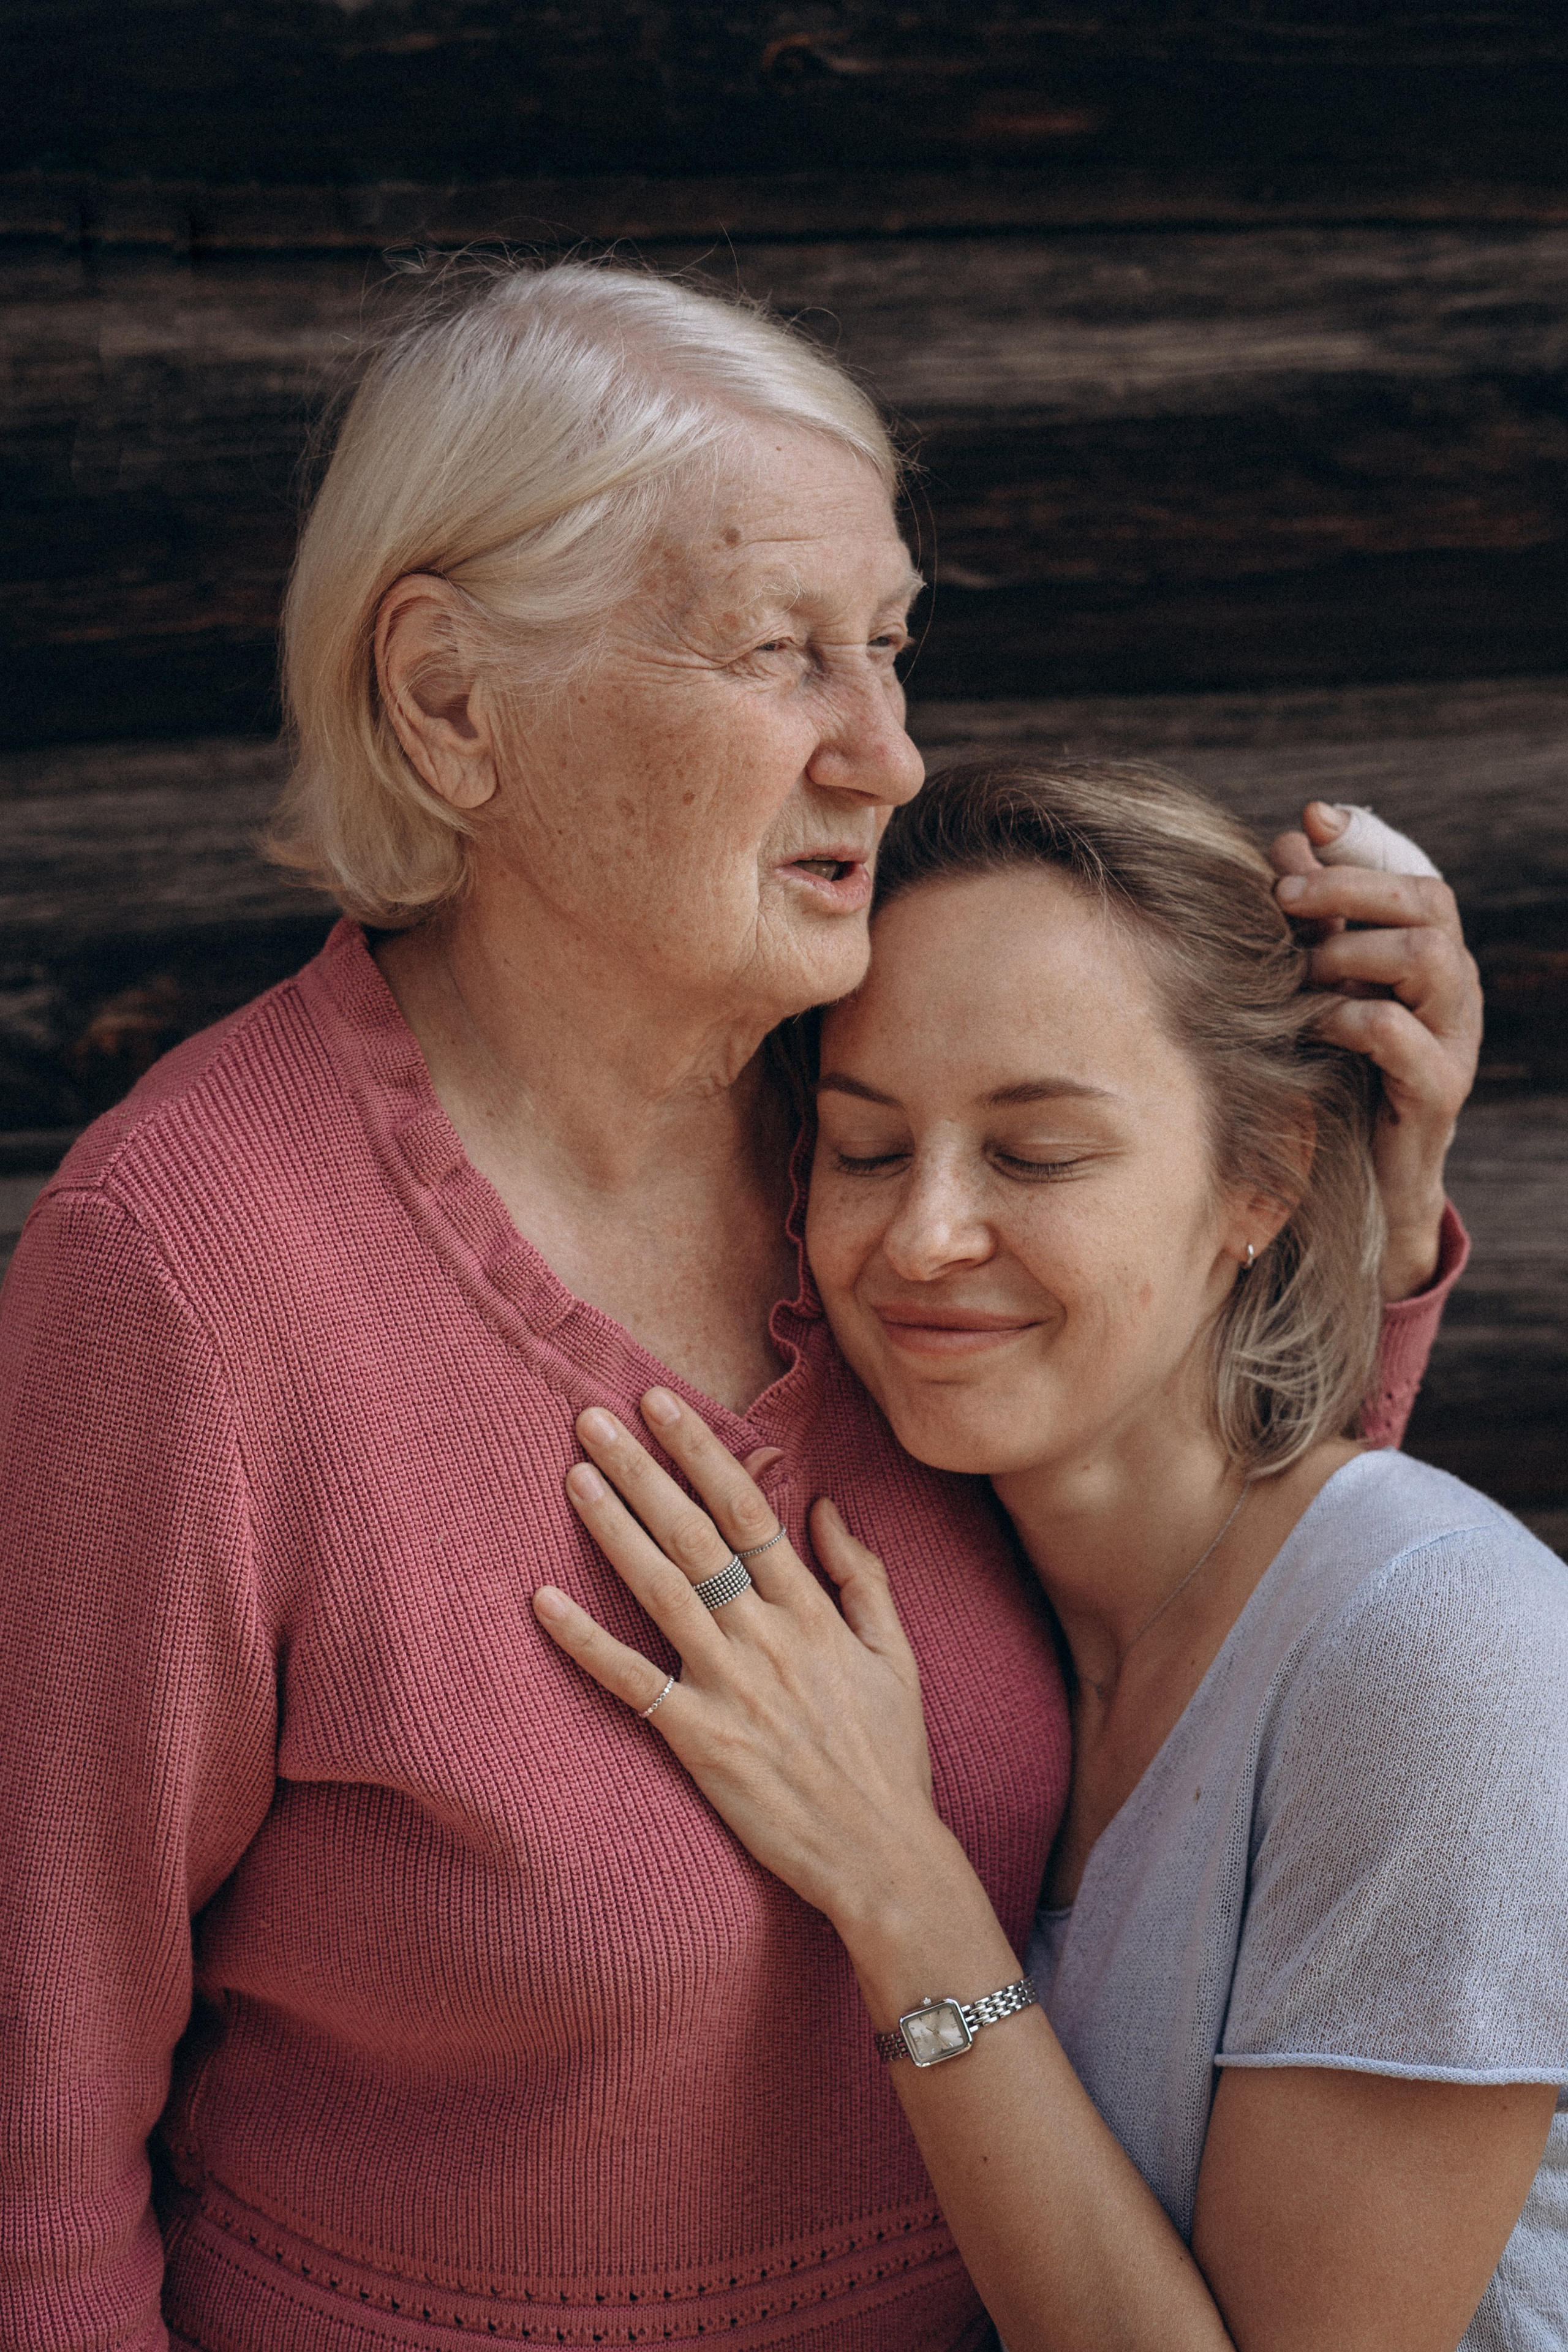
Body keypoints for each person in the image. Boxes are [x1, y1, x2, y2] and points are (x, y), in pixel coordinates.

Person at [0, 262, 1476, 2352]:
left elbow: (1211, 1663)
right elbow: (30, 2159)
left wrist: (1370, 1220)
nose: (886, 753)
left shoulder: (885, 1152)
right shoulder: (188, 1278)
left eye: (889, 646)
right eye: (784, 655)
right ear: (446, 700)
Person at [533, 759, 1564, 2352]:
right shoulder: (998, 1565)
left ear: (1264, 1175)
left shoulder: (1464, 1658)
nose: (925, 1235)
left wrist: (892, 1875)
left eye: (1036, 1156)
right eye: (867, 1152)